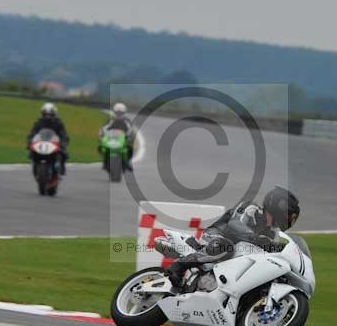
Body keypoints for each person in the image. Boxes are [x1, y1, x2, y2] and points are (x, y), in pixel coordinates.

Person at [166, 186, 301, 288]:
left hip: (238, 253)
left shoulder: (272, 233)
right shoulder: (251, 208)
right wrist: (253, 237)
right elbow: (234, 223)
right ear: (278, 205)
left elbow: (266, 251)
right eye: (288, 214)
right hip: (215, 236)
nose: (288, 219)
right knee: (225, 246)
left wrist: (281, 250)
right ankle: (178, 266)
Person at [27, 102, 69, 174]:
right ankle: (35, 165)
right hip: (42, 142)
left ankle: (61, 167)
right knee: (31, 153)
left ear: (54, 114)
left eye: (50, 114)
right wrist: (30, 142)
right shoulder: (39, 122)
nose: (48, 116)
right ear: (42, 113)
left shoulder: (58, 122)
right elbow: (33, 133)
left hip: (54, 143)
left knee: (64, 154)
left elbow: (63, 134)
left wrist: (63, 143)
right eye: (45, 114)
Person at [99, 102, 136, 171]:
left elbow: (131, 129)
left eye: (120, 113)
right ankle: (105, 161)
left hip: (123, 138)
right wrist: (102, 133)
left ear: (124, 112)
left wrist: (130, 136)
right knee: (102, 147)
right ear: (114, 112)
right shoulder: (111, 120)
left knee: (129, 148)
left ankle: (127, 161)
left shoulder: (127, 121)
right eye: (117, 112)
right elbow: (105, 128)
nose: (119, 114)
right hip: (112, 138)